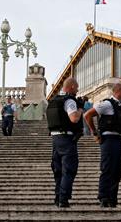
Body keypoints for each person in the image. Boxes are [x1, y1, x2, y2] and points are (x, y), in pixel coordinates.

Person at [84, 83, 121, 208]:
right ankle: (104, 197)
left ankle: (112, 197)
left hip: (118, 140)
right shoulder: (107, 104)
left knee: (117, 170)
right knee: (108, 168)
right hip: (109, 140)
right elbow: (87, 115)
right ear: (119, 91)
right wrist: (94, 132)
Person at [46, 77, 84, 208]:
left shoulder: (53, 101)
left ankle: (57, 197)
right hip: (66, 139)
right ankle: (63, 199)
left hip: (55, 139)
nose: (78, 90)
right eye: (77, 88)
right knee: (69, 170)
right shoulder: (69, 101)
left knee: (58, 170)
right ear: (72, 87)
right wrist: (80, 109)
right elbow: (74, 118)